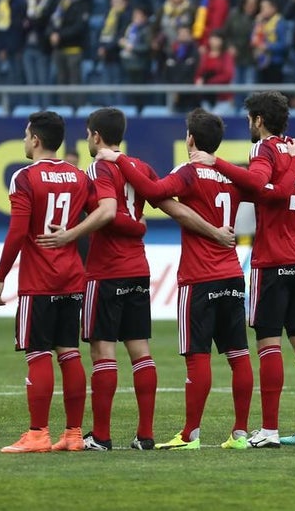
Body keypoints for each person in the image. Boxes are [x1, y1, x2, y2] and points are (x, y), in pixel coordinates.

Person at [35, 108, 233, 451]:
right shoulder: (140, 167)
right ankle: (144, 434)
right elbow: (172, 207)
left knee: (102, 352)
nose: (86, 140)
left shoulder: (99, 166)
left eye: (87, 134)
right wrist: (214, 230)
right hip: (139, 269)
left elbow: (110, 212)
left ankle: (100, 435)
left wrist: (70, 235)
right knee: (141, 353)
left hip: (106, 270)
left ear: (96, 136)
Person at [97, 109, 254, 451]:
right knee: (239, 354)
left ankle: (190, 435)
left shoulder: (188, 171)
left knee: (198, 356)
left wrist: (119, 160)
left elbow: (152, 191)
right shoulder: (232, 176)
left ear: (191, 139)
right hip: (232, 272)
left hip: (199, 277)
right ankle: (240, 432)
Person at [191, 91, 295, 447]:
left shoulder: (263, 150)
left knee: (269, 343)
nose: (249, 124)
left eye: (250, 118)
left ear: (260, 120)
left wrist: (217, 163)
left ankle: (268, 430)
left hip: (273, 258)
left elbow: (256, 182)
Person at [0, 112, 93, 453]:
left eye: (25, 134)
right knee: (70, 352)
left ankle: (37, 435)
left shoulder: (24, 177)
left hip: (39, 279)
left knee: (38, 353)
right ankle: (74, 434)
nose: (23, 140)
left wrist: (0, 278)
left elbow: (17, 232)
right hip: (72, 277)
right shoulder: (79, 177)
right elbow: (94, 220)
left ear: (35, 139)